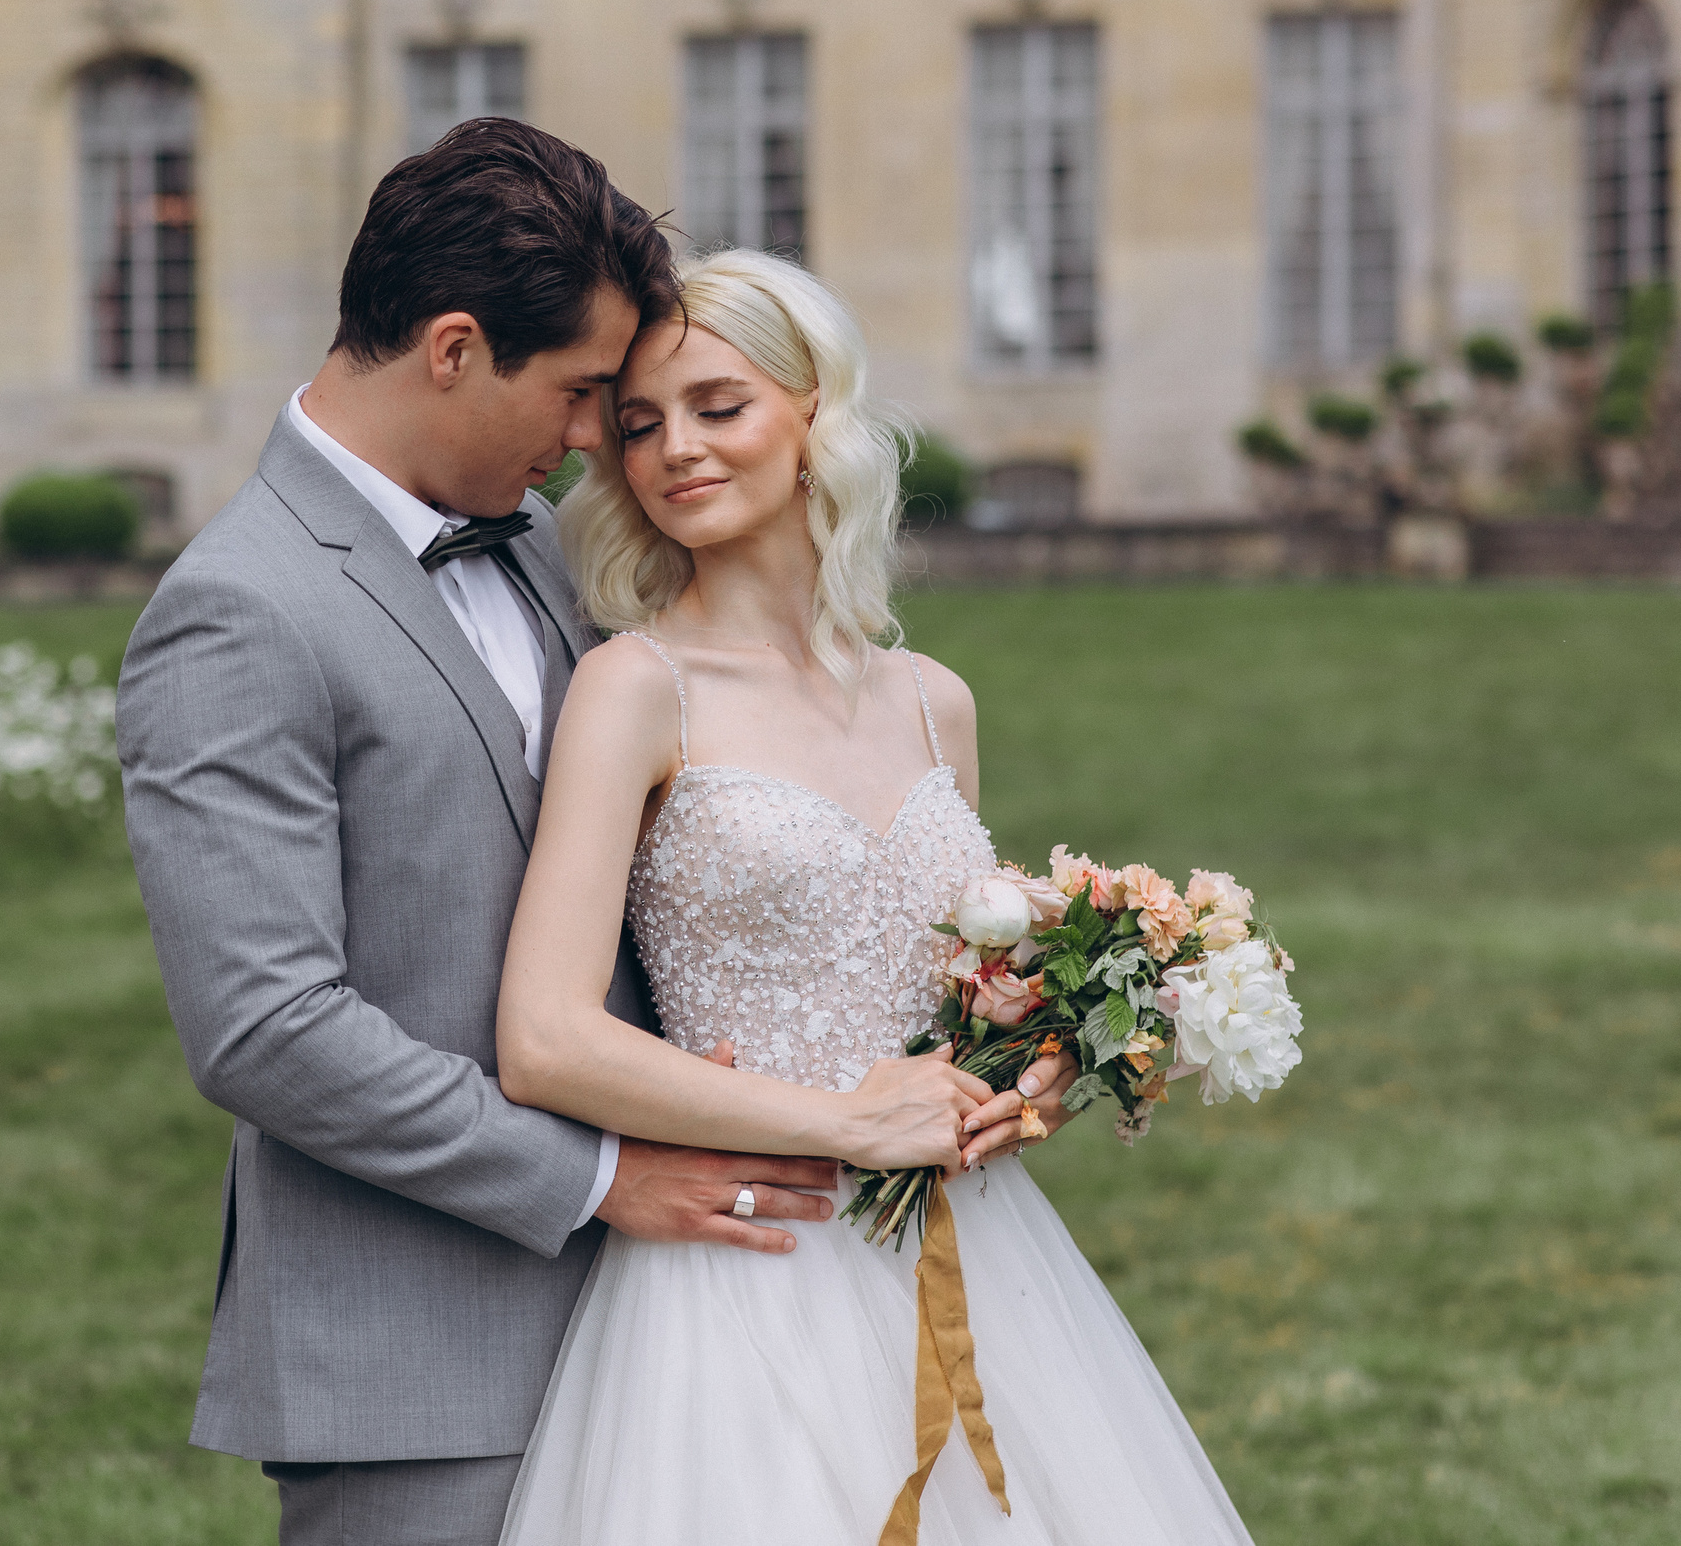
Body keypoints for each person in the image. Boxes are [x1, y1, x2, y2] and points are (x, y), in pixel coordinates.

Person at [117, 121, 983, 1546]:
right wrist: (595, 1176)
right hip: (426, 1361)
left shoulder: (542, 550)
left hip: (699, 1319)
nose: (603, 445)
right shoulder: (241, 610)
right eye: (589, 394)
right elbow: (267, 1027)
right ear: (454, 347)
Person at [494, 250, 1253, 1543]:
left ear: (813, 418)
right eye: (637, 424)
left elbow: (959, 977)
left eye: (718, 406)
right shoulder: (636, 688)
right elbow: (544, 1035)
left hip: (977, 1256)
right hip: (746, 1270)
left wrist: (1046, 1058)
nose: (674, 447)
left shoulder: (929, 698)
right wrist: (840, 1120)